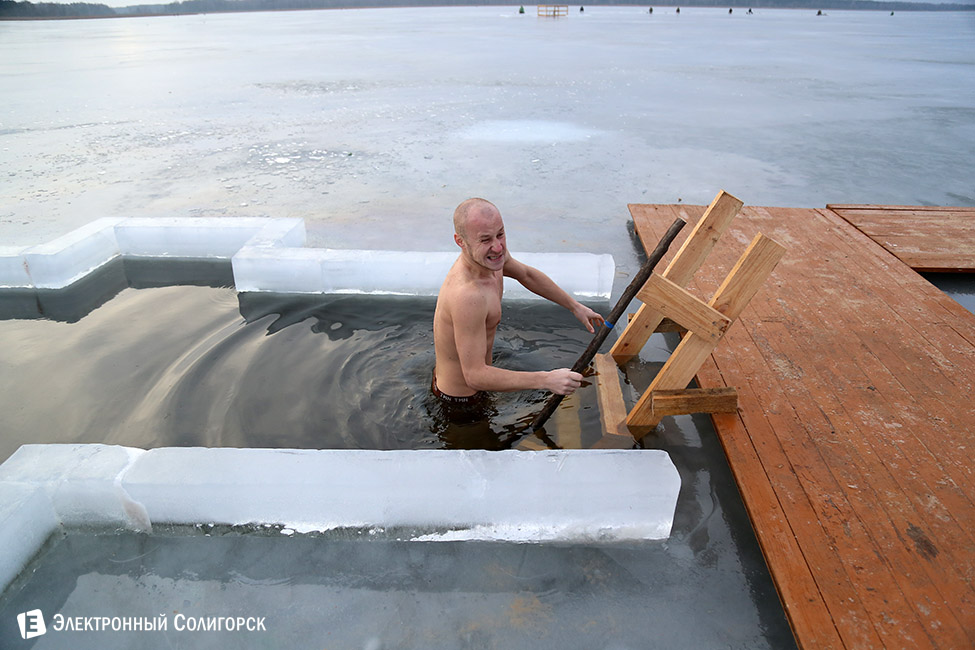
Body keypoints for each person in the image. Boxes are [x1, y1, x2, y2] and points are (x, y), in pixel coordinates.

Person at [432, 198, 604, 409]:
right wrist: (546, 380)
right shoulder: (469, 295)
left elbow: (527, 275)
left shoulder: (491, 258)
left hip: (480, 383)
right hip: (460, 402)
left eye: (501, 234)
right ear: (461, 242)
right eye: (485, 240)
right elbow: (474, 376)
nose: (497, 247)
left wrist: (574, 306)